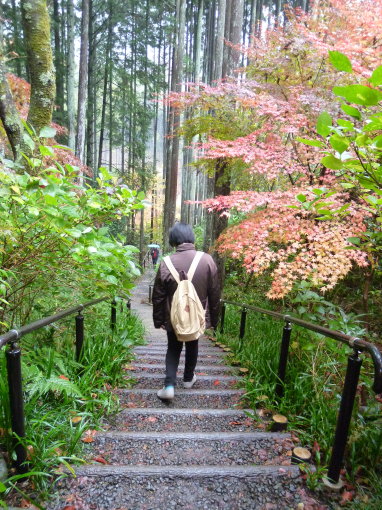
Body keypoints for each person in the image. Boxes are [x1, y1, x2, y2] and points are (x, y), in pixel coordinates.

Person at [152, 222, 220, 400]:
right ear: (191, 237)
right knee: (193, 343)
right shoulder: (207, 260)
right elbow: (215, 293)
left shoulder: (166, 263)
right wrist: (214, 319)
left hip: (173, 317)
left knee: (173, 348)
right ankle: (189, 378)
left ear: (173, 240)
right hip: (197, 315)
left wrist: (159, 320)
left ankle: (168, 386)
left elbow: (158, 296)